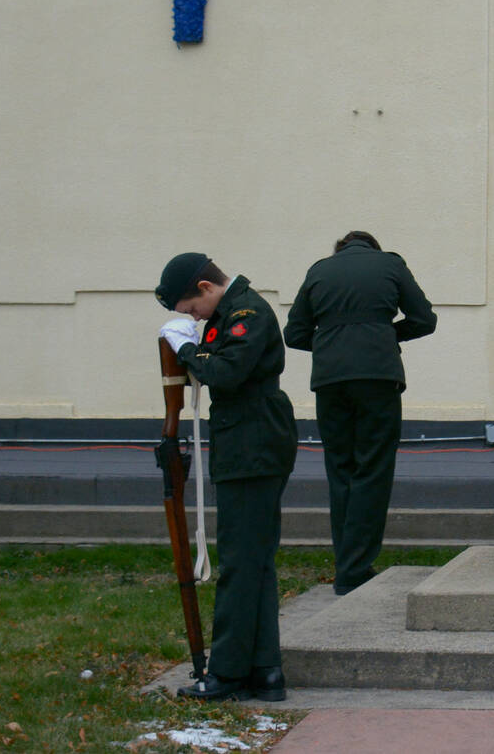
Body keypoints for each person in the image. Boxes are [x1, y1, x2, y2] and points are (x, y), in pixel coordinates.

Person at [156, 252, 297, 702]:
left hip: (252, 444)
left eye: (190, 309)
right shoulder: (231, 310)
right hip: (249, 442)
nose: (193, 319)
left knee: (240, 562)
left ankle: (229, 672)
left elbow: (226, 372)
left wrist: (185, 348)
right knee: (253, 561)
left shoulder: (245, 312)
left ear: (203, 288)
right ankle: (263, 670)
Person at [283, 230, 437, 595]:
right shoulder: (390, 265)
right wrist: (383, 335)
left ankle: (346, 565)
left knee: (341, 470)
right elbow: (424, 319)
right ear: (374, 248)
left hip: (330, 380)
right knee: (373, 468)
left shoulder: (319, 270)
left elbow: (294, 333)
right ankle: (355, 569)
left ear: (339, 249)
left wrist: (332, 339)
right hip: (377, 377)